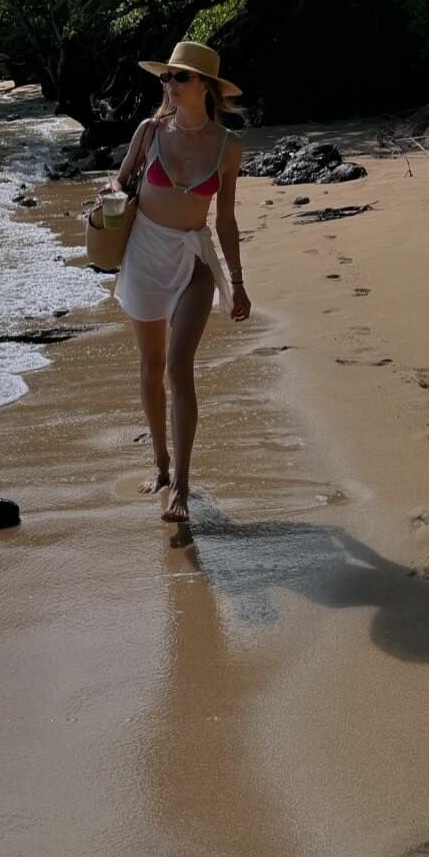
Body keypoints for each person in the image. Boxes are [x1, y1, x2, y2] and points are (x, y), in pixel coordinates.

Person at [106, 40, 250, 523]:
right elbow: (121, 180)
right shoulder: (149, 132)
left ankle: (182, 486)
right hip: (145, 255)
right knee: (151, 366)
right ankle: (161, 465)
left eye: (179, 76)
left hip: (194, 260)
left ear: (205, 86)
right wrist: (110, 195)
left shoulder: (229, 146)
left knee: (178, 367)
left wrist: (238, 282)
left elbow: (225, 220)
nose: (169, 83)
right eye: (166, 76)